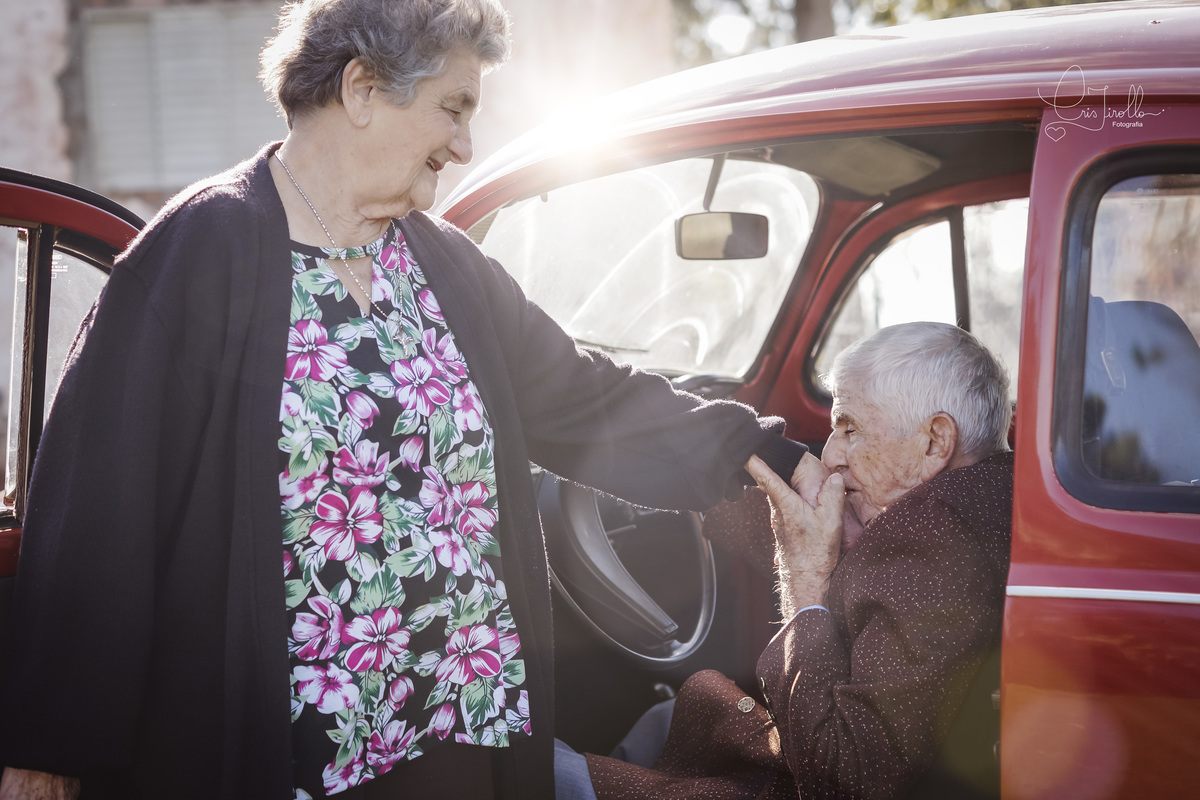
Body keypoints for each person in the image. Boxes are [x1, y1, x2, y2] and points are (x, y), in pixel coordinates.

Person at [0, 2, 806, 799]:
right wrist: (49, 750)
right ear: (361, 89)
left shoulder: (442, 262)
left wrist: (751, 448)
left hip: (460, 732)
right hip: (290, 759)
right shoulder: (203, 248)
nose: (464, 144)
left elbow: (586, 398)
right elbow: (98, 513)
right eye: (453, 108)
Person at [570, 321, 1014, 800]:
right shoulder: (986, 494)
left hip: (801, 780)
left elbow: (842, 782)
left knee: (547, 773)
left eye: (850, 428)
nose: (832, 454)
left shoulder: (931, 536)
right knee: (669, 719)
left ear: (934, 442)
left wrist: (804, 578)